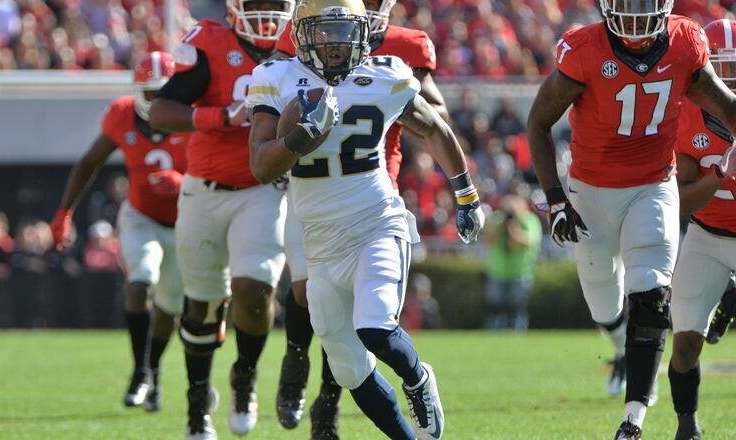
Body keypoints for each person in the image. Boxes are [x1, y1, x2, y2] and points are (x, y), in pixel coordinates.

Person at [247, 0, 485, 437]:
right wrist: (301, 137)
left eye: (344, 31)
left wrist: (466, 193)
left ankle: (417, 378)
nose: (335, 44)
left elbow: (433, 127)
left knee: (374, 326)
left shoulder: (385, 74)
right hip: (320, 243)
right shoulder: (276, 78)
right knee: (349, 369)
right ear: (301, 33)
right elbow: (262, 165)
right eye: (324, 31)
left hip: (376, 222)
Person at [526, 2, 736, 438]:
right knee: (604, 301)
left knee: (652, 292)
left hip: (652, 184)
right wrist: (556, 200)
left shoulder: (684, 41)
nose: (636, 14)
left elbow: (725, 104)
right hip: (592, 192)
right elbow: (539, 122)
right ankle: (618, 341)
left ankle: (632, 420)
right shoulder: (584, 48)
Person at [147, 1, 294, 437]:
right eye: (257, 2)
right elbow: (161, 110)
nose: (266, 11)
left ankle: (244, 376)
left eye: (275, 3)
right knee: (201, 306)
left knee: (254, 290)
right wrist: (219, 117)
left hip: (262, 189)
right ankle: (197, 404)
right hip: (204, 190)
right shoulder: (210, 40)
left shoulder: (302, 45)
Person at [50, 51, 187, 411]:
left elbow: (222, 169)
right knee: (139, 281)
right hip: (141, 215)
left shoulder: (193, 116)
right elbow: (89, 162)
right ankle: (140, 371)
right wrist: (64, 212)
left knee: (169, 310)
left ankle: (152, 370)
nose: (157, 102)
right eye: (151, 94)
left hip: (188, 219)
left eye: (164, 93)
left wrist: (185, 182)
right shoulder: (121, 114)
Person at [667, 18, 736, 440]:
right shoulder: (688, 115)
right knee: (686, 339)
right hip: (709, 235)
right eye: (723, 66)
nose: (730, 76)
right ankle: (687, 426)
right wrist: (720, 176)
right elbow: (680, 201)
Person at [483, 194, 542, 331]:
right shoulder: (497, 219)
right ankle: (493, 334)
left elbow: (527, 242)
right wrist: (502, 226)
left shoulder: (529, 220)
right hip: (497, 272)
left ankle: (517, 333)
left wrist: (513, 227)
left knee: (517, 308)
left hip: (520, 273)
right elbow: (489, 241)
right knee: (495, 308)